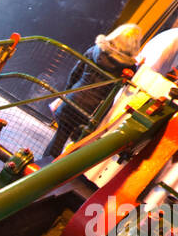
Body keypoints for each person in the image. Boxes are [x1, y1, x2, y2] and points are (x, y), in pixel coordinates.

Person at [43, 23, 142, 158]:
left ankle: (40, 167)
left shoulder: (95, 50)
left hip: (74, 99)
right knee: (77, 147)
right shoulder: (129, 68)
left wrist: (66, 94)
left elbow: (75, 73)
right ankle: (57, 174)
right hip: (94, 111)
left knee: (59, 137)